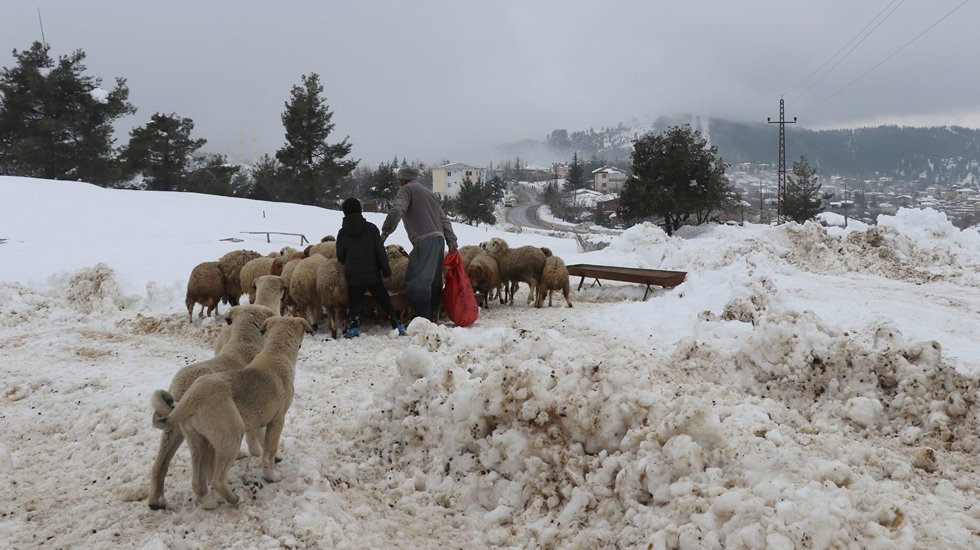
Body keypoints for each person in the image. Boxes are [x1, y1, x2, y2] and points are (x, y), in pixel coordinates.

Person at [381, 165, 458, 322]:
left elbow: (397, 210)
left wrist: (386, 231)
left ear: (403, 179)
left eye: (399, 180)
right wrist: (451, 241)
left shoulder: (406, 190)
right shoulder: (429, 193)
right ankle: (433, 314)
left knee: (417, 281)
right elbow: (444, 218)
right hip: (438, 240)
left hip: (424, 241)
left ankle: (424, 320)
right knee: (434, 282)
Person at [336, 197, 405, 338]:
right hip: (372, 274)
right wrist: (386, 271)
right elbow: (380, 252)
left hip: (353, 275)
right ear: (360, 210)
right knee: (383, 298)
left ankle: (354, 326)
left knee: (354, 299)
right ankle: (395, 323)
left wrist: (348, 262)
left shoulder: (342, 233)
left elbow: (340, 255)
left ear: (344, 213)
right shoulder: (371, 228)